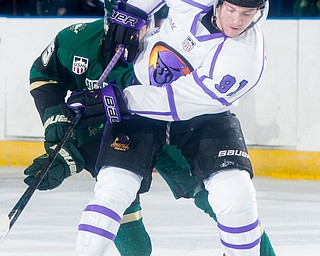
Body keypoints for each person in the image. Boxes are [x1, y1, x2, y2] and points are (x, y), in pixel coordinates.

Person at [24, 1, 275, 255]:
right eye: (232, 10)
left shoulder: (244, 57)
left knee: (230, 201)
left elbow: (178, 102)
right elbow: (47, 78)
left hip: (190, 121)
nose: (237, 20)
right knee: (121, 209)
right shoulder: (79, 41)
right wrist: (62, 143)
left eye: (246, 13)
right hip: (135, 122)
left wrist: (118, 101)